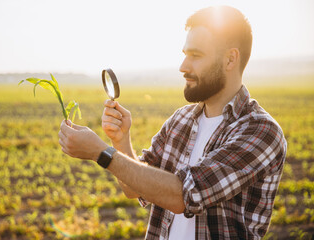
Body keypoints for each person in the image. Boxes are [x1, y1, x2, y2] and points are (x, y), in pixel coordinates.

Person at [58, 5, 287, 240]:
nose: (183, 67)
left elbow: (183, 196)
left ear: (230, 59)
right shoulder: (180, 120)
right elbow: (134, 188)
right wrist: (120, 141)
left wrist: (101, 153)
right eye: (185, 54)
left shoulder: (261, 131)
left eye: (196, 56)